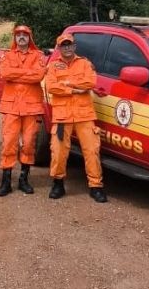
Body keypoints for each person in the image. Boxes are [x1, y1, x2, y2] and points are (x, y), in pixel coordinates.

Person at [43, 32, 108, 202]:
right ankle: (58, 183)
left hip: (84, 115)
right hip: (62, 116)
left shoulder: (85, 63)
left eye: (69, 44)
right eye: (63, 45)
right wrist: (74, 89)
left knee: (91, 151)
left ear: (74, 46)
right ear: (59, 48)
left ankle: (95, 186)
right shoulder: (53, 66)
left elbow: (90, 83)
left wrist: (65, 83)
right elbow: (51, 87)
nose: (67, 48)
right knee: (58, 151)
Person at [0, 24, 46, 196]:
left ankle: (24, 179)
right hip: (11, 107)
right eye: (18, 35)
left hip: (31, 107)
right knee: (9, 143)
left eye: (25, 34)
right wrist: (27, 73)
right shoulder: (7, 55)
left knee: (29, 143)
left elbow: (39, 75)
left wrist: (16, 74)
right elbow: (4, 74)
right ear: (14, 38)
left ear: (30, 37)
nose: (21, 37)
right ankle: (6, 181)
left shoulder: (38, 55)